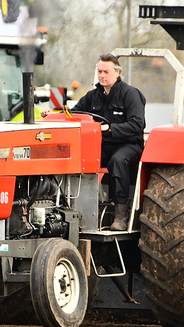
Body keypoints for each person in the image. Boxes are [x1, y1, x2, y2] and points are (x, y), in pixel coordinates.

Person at [41, 54, 146, 230]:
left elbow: (137, 124)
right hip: (102, 145)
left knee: (118, 161)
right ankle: (70, 207)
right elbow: (73, 116)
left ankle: (121, 214)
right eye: (99, 71)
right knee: (78, 158)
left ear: (117, 73)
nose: (102, 75)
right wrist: (53, 115)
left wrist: (110, 128)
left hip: (128, 145)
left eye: (106, 71)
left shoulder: (130, 94)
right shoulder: (93, 96)